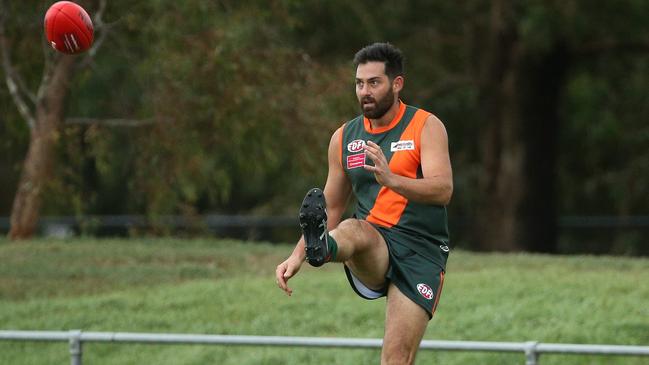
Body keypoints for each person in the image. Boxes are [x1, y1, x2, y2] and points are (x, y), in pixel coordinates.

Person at [275, 42, 453, 365]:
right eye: (359, 83)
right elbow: (328, 207)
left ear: (397, 84)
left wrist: (393, 180)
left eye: (374, 83)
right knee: (353, 229)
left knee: (397, 358)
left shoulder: (427, 126)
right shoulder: (344, 138)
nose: (364, 92)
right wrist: (297, 255)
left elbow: (444, 190)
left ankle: (327, 246)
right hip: (374, 243)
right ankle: (322, 250)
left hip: (421, 252)